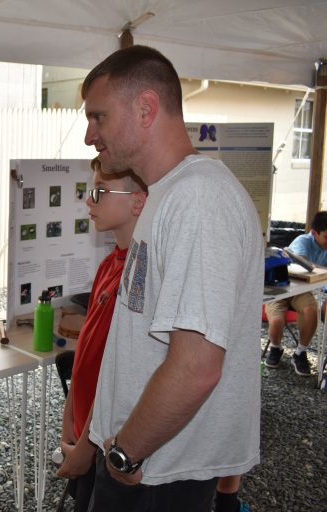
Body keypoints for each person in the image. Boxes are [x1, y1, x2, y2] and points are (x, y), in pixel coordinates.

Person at [82, 45, 264, 511]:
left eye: (99, 117)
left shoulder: (200, 198)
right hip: (144, 467)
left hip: (155, 474)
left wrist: (125, 454)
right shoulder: (169, 193)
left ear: (145, 108)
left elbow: (197, 366)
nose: (89, 135)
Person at [56, 157, 147, 512]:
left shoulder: (138, 276)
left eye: (99, 192)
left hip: (107, 443)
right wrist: (69, 421)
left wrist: (86, 448)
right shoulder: (109, 264)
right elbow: (87, 358)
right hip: (87, 434)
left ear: (138, 200)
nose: (89, 201)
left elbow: (120, 374)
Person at [264, 210, 327, 376]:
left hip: (302, 291)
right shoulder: (303, 241)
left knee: (311, 310)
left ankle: (300, 352)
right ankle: (276, 348)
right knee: (277, 321)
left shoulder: (324, 246)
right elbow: (299, 267)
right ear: (314, 233)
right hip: (281, 288)